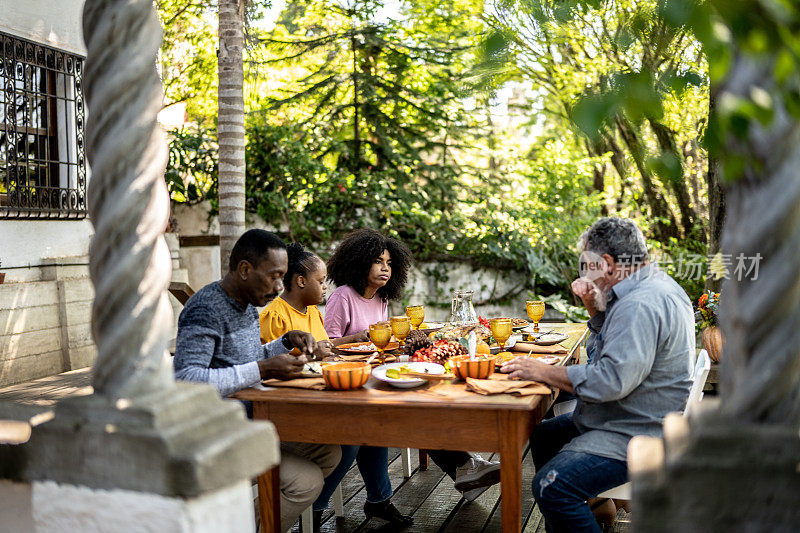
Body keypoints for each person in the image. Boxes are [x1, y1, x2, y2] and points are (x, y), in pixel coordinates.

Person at [500, 217, 695, 533]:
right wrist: (593, 306)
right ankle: (595, 507)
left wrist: (544, 371)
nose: (585, 274)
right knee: (544, 434)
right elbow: (621, 348)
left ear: (606, 264)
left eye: (587, 265)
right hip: (637, 413)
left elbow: (609, 381)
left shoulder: (639, 303)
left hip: (636, 430)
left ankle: (582, 506)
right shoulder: (650, 284)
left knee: (552, 487)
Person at [173, 229, 342, 533]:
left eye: (283, 277)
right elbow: (187, 379)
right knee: (307, 482)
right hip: (213, 436)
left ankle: (242, 524)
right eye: (274, 276)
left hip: (251, 421)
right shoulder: (206, 308)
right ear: (245, 270)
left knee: (330, 452)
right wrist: (262, 368)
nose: (279, 286)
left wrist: (284, 342)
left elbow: (248, 356)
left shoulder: (247, 304)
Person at [325, 228, 501, 502]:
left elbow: (381, 340)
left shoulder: (381, 297)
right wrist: (357, 337)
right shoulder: (342, 296)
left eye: (389, 263)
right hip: (352, 380)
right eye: (378, 261)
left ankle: (465, 467)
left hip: (378, 372)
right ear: (359, 261)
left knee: (425, 399)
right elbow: (329, 345)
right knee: (414, 411)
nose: (385, 269)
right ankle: (464, 467)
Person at [259, 242, 411, 528]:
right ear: (301, 281)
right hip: (291, 405)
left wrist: (327, 352)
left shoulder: (313, 312)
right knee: (354, 435)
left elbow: (324, 347)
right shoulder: (276, 315)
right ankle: (315, 509)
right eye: (320, 281)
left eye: (389, 263)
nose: (326, 287)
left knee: (372, 424)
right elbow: (268, 365)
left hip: (321, 390)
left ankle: (377, 500)